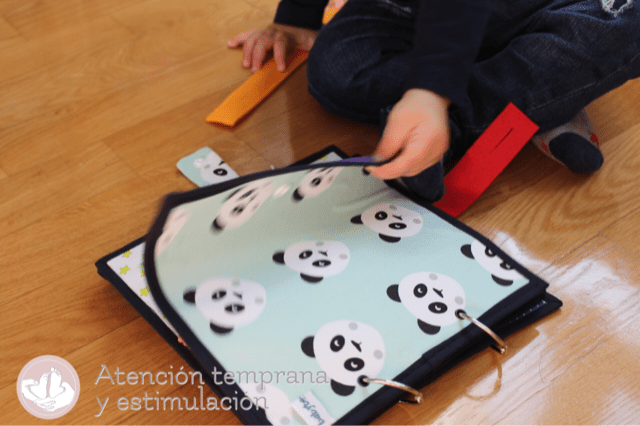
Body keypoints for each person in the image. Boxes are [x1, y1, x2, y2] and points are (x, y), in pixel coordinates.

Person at [228, 0, 640, 201]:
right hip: (408, 9)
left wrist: (431, 92)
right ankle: (542, 94)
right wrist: (294, 19)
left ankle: (493, 111)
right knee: (338, 67)